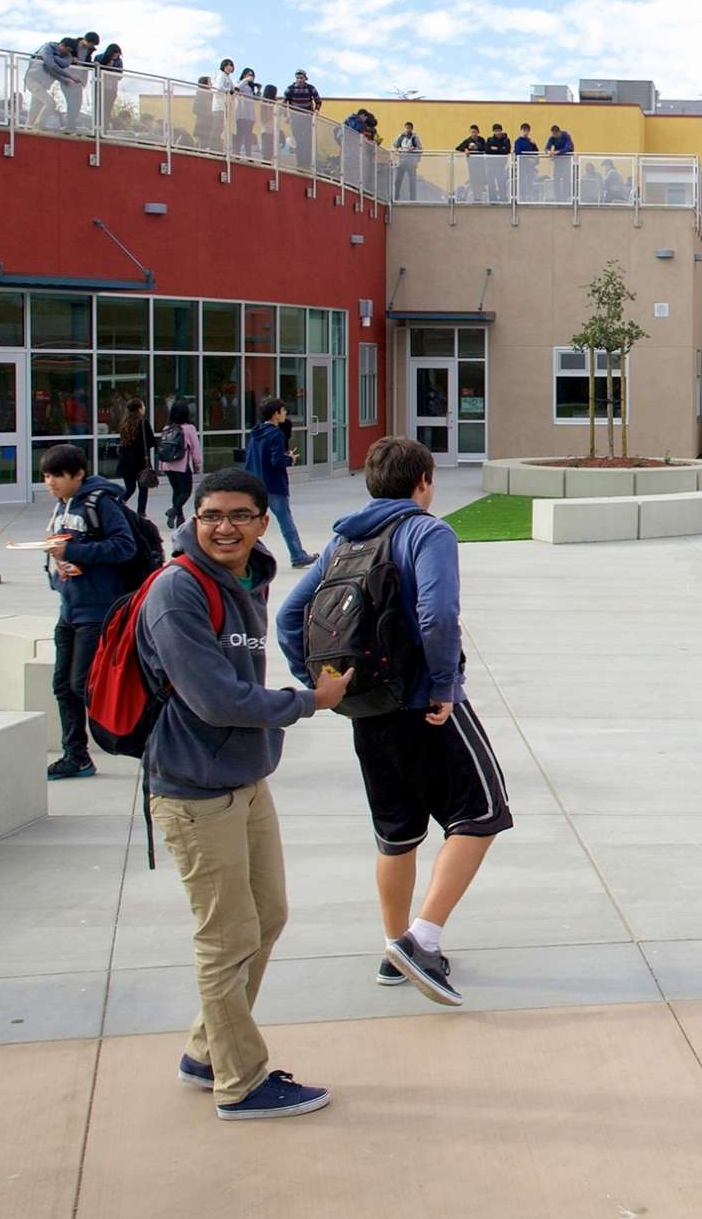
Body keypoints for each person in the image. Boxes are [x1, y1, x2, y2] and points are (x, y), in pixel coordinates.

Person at [142, 466, 350, 1120]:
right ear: (192, 520)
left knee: (268, 915)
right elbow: (212, 698)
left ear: (264, 522)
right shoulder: (179, 590)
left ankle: (207, 1050)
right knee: (226, 936)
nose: (223, 527)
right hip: (193, 788)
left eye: (238, 515)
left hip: (246, 779)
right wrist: (306, 702)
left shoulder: (248, 577)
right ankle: (240, 1080)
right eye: (210, 516)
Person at [280, 437, 507, 1007]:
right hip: (421, 706)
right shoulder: (427, 532)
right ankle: (423, 939)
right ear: (424, 480)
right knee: (480, 811)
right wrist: (441, 686)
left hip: (367, 708)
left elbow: (289, 615)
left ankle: (392, 947)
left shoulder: (343, 539)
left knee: (396, 832)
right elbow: (438, 613)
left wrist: (323, 683)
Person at [36, 443, 139, 782]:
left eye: (57, 476)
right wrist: (62, 563)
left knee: (84, 684)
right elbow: (67, 549)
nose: (50, 482)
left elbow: (125, 547)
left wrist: (74, 550)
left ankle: (136, 737)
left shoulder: (100, 503)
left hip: (98, 610)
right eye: (46, 476)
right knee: (63, 685)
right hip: (70, 607)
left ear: (78, 474)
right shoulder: (62, 505)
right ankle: (76, 756)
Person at [246, 397, 315, 567]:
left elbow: (249, 459)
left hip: (255, 484)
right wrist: (289, 459)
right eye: (283, 411)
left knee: (251, 522)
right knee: (286, 522)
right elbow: (276, 461)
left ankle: (244, 555)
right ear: (276, 414)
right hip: (274, 485)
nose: (285, 414)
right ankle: (298, 556)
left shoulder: (255, 433)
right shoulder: (276, 434)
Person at [158, 398, 203, 531]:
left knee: (176, 491)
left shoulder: (166, 428)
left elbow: (163, 447)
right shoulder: (189, 428)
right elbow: (195, 448)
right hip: (181, 465)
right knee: (185, 492)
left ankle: (180, 519)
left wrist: (161, 465)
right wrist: (198, 464)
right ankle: (173, 511)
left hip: (168, 465)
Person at [114, 398, 158, 525]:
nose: (144, 408)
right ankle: (141, 513)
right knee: (143, 487)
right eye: (143, 406)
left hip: (126, 461)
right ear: (139, 408)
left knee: (130, 488)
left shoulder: (124, 424)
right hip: (140, 461)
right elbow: (151, 442)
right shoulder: (143, 423)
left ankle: (117, 504)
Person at [28, 36, 85, 129]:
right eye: (67, 49)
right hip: (33, 80)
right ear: (62, 45)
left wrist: (64, 80)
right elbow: (52, 66)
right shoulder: (47, 48)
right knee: (50, 103)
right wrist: (70, 77)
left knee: (35, 108)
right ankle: (38, 126)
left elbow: (54, 71)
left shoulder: (63, 57)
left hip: (42, 84)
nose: (67, 52)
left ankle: (28, 129)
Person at [283, 70, 321, 163]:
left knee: (308, 141)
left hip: (307, 118)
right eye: (297, 78)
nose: (299, 80)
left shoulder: (310, 88)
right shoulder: (290, 89)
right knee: (299, 141)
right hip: (295, 119)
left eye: (301, 78)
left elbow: (318, 101)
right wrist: (286, 115)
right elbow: (284, 103)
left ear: (305, 78)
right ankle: (300, 163)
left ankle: (307, 164)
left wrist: (316, 111)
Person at [92, 42, 125, 132]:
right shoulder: (99, 57)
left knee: (107, 109)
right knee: (98, 108)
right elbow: (94, 71)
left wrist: (111, 70)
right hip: (99, 87)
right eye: (115, 54)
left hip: (111, 89)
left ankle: (104, 128)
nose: (116, 57)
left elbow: (120, 76)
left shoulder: (118, 61)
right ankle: (96, 127)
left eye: (118, 55)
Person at [392, 121, 421, 199]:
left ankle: (413, 199)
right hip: (402, 161)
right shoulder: (401, 136)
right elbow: (395, 146)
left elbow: (420, 148)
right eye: (406, 128)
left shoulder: (415, 137)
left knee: (412, 181)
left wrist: (414, 149)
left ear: (412, 129)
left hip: (411, 162)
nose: (408, 130)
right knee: (398, 180)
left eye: (409, 128)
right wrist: (397, 151)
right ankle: (396, 197)